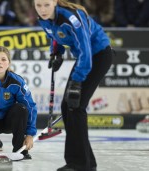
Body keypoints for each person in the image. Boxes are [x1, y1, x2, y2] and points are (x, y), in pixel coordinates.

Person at [34, 0, 113, 171]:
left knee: (75, 107)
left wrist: (77, 81)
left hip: (97, 55)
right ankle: (87, 162)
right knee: (67, 107)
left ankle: (79, 164)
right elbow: (54, 35)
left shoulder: (72, 18)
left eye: (46, 5)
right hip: (85, 58)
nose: (42, 9)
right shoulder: (44, 18)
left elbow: (86, 50)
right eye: (38, 5)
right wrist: (57, 53)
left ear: (54, 2)